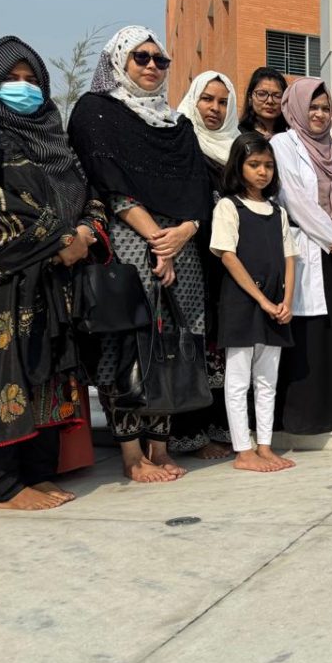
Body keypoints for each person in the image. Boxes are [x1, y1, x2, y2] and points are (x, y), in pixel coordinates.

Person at [68, 26, 212, 483]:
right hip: (129, 241)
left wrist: (183, 232)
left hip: (181, 247)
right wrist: (156, 239)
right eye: (141, 57)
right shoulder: (95, 110)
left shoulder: (177, 124)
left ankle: (160, 447)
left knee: (172, 343)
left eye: (159, 59)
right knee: (127, 342)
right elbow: (106, 181)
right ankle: (131, 454)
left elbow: (199, 189)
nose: (152, 66)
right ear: (118, 62)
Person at [0, 36, 105, 510]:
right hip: (0, 282)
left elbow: (87, 194)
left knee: (47, 375)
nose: (23, 88)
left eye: (32, 80)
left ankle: (38, 473)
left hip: (53, 283)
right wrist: (61, 241)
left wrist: (85, 230)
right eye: (11, 79)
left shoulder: (55, 139)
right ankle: (5, 487)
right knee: (3, 378)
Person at [271, 77, 332, 434]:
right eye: (313, 107)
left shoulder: (331, 151)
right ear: (296, 107)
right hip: (308, 248)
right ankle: (305, 416)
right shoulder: (283, 144)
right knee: (308, 333)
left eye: (325, 108)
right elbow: (295, 200)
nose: (320, 114)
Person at [212, 134, 297, 472]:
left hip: (275, 306)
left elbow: (290, 258)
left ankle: (265, 445)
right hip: (242, 304)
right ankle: (243, 451)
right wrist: (261, 300)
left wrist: (285, 300)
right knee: (237, 380)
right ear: (239, 166)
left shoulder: (278, 212)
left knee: (267, 380)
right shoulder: (228, 206)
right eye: (254, 164)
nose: (263, 172)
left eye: (268, 166)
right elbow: (228, 256)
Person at [169, 70, 240, 461]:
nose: (214, 109)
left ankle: (221, 427)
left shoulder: (236, 147)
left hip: (228, 261)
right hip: (192, 255)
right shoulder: (180, 139)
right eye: (207, 99)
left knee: (222, 346)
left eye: (223, 101)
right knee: (195, 341)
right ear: (193, 100)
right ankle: (190, 434)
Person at [238, 66, 288, 137]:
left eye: (277, 96)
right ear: (250, 98)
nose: (270, 101)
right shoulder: (238, 134)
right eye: (262, 94)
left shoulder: (291, 136)